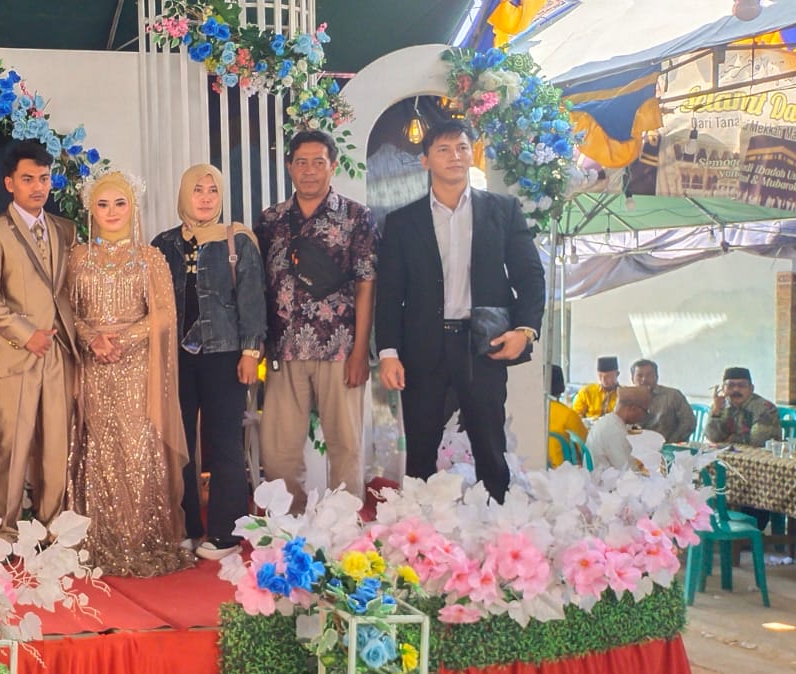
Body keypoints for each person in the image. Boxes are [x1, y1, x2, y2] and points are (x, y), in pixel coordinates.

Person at [375, 120, 545, 503]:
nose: (454, 156)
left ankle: (498, 519)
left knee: (490, 443)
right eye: (443, 149)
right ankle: (419, 525)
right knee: (420, 447)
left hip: (484, 345)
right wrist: (388, 352)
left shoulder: (502, 210)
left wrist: (525, 330)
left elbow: (530, 275)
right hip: (423, 348)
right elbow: (389, 293)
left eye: (462, 148)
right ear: (425, 161)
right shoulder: (403, 222)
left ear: (472, 154)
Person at [64, 171, 190, 577]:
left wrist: (123, 338)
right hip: (94, 366)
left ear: (133, 207)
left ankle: (139, 537)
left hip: (136, 367)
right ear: (91, 209)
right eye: (103, 204)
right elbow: (66, 311)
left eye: (120, 203)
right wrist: (92, 339)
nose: (112, 212)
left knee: (137, 445)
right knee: (99, 443)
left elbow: (166, 313)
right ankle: (99, 536)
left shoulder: (149, 257)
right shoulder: (77, 257)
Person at [256, 130, 378, 517]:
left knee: (346, 445)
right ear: (289, 166)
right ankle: (286, 524)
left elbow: (366, 283)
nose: (309, 170)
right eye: (301, 162)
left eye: (318, 162)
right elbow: (258, 286)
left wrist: (360, 351)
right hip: (283, 349)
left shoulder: (356, 217)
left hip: (340, 347)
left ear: (333, 165)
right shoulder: (270, 220)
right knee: (278, 451)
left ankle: (342, 523)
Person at [151, 163, 265, 560]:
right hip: (175, 358)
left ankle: (225, 533)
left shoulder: (238, 240)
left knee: (225, 442)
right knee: (178, 442)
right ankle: (184, 526)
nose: (204, 198)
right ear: (184, 194)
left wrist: (251, 351)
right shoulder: (163, 244)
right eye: (197, 190)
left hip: (225, 355)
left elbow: (252, 298)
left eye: (212, 190)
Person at [0, 140, 77, 539]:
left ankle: (53, 529)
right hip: (17, 353)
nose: (38, 187)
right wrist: (25, 334)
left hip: (59, 353)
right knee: (11, 449)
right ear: (9, 183)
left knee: (56, 447)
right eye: (28, 179)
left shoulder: (65, 229)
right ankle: (5, 531)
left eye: (44, 179)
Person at [705, 367, 780, 446]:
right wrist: (716, 411)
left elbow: (759, 441)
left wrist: (731, 439)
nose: (736, 389)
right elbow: (712, 437)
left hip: (759, 452)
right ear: (723, 389)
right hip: (728, 451)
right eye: (730, 385)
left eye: (742, 385)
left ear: (751, 388)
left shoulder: (765, 408)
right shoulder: (719, 404)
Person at [585, 387, 651, 474]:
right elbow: (628, 471)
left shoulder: (608, 421)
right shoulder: (614, 431)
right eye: (645, 411)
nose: (643, 416)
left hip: (601, 474)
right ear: (633, 408)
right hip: (605, 480)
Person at [631, 359, 695, 443]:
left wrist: (670, 442)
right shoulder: (627, 399)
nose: (644, 379)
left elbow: (689, 422)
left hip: (668, 446)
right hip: (638, 446)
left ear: (657, 377)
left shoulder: (673, 395)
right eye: (639, 376)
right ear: (632, 379)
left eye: (649, 375)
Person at [546, 365, 586, 467]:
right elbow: (586, 446)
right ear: (562, 388)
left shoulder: (530, 412)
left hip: (527, 470)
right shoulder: (568, 414)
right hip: (559, 471)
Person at [572, 356, 620, 420]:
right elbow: (575, 415)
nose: (603, 380)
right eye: (600, 376)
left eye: (608, 376)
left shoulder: (624, 395)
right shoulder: (587, 391)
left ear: (617, 374)